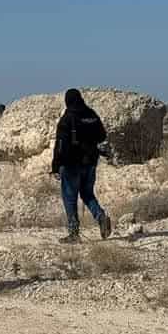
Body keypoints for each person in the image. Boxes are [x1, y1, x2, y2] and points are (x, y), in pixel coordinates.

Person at [51, 88, 112, 244]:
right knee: (87, 194)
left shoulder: (67, 118)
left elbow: (60, 145)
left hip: (71, 164)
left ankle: (74, 233)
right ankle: (101, 217)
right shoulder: (91, 114)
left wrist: (55, 166)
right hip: (90, 162)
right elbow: (102, 135)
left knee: (69, 198)